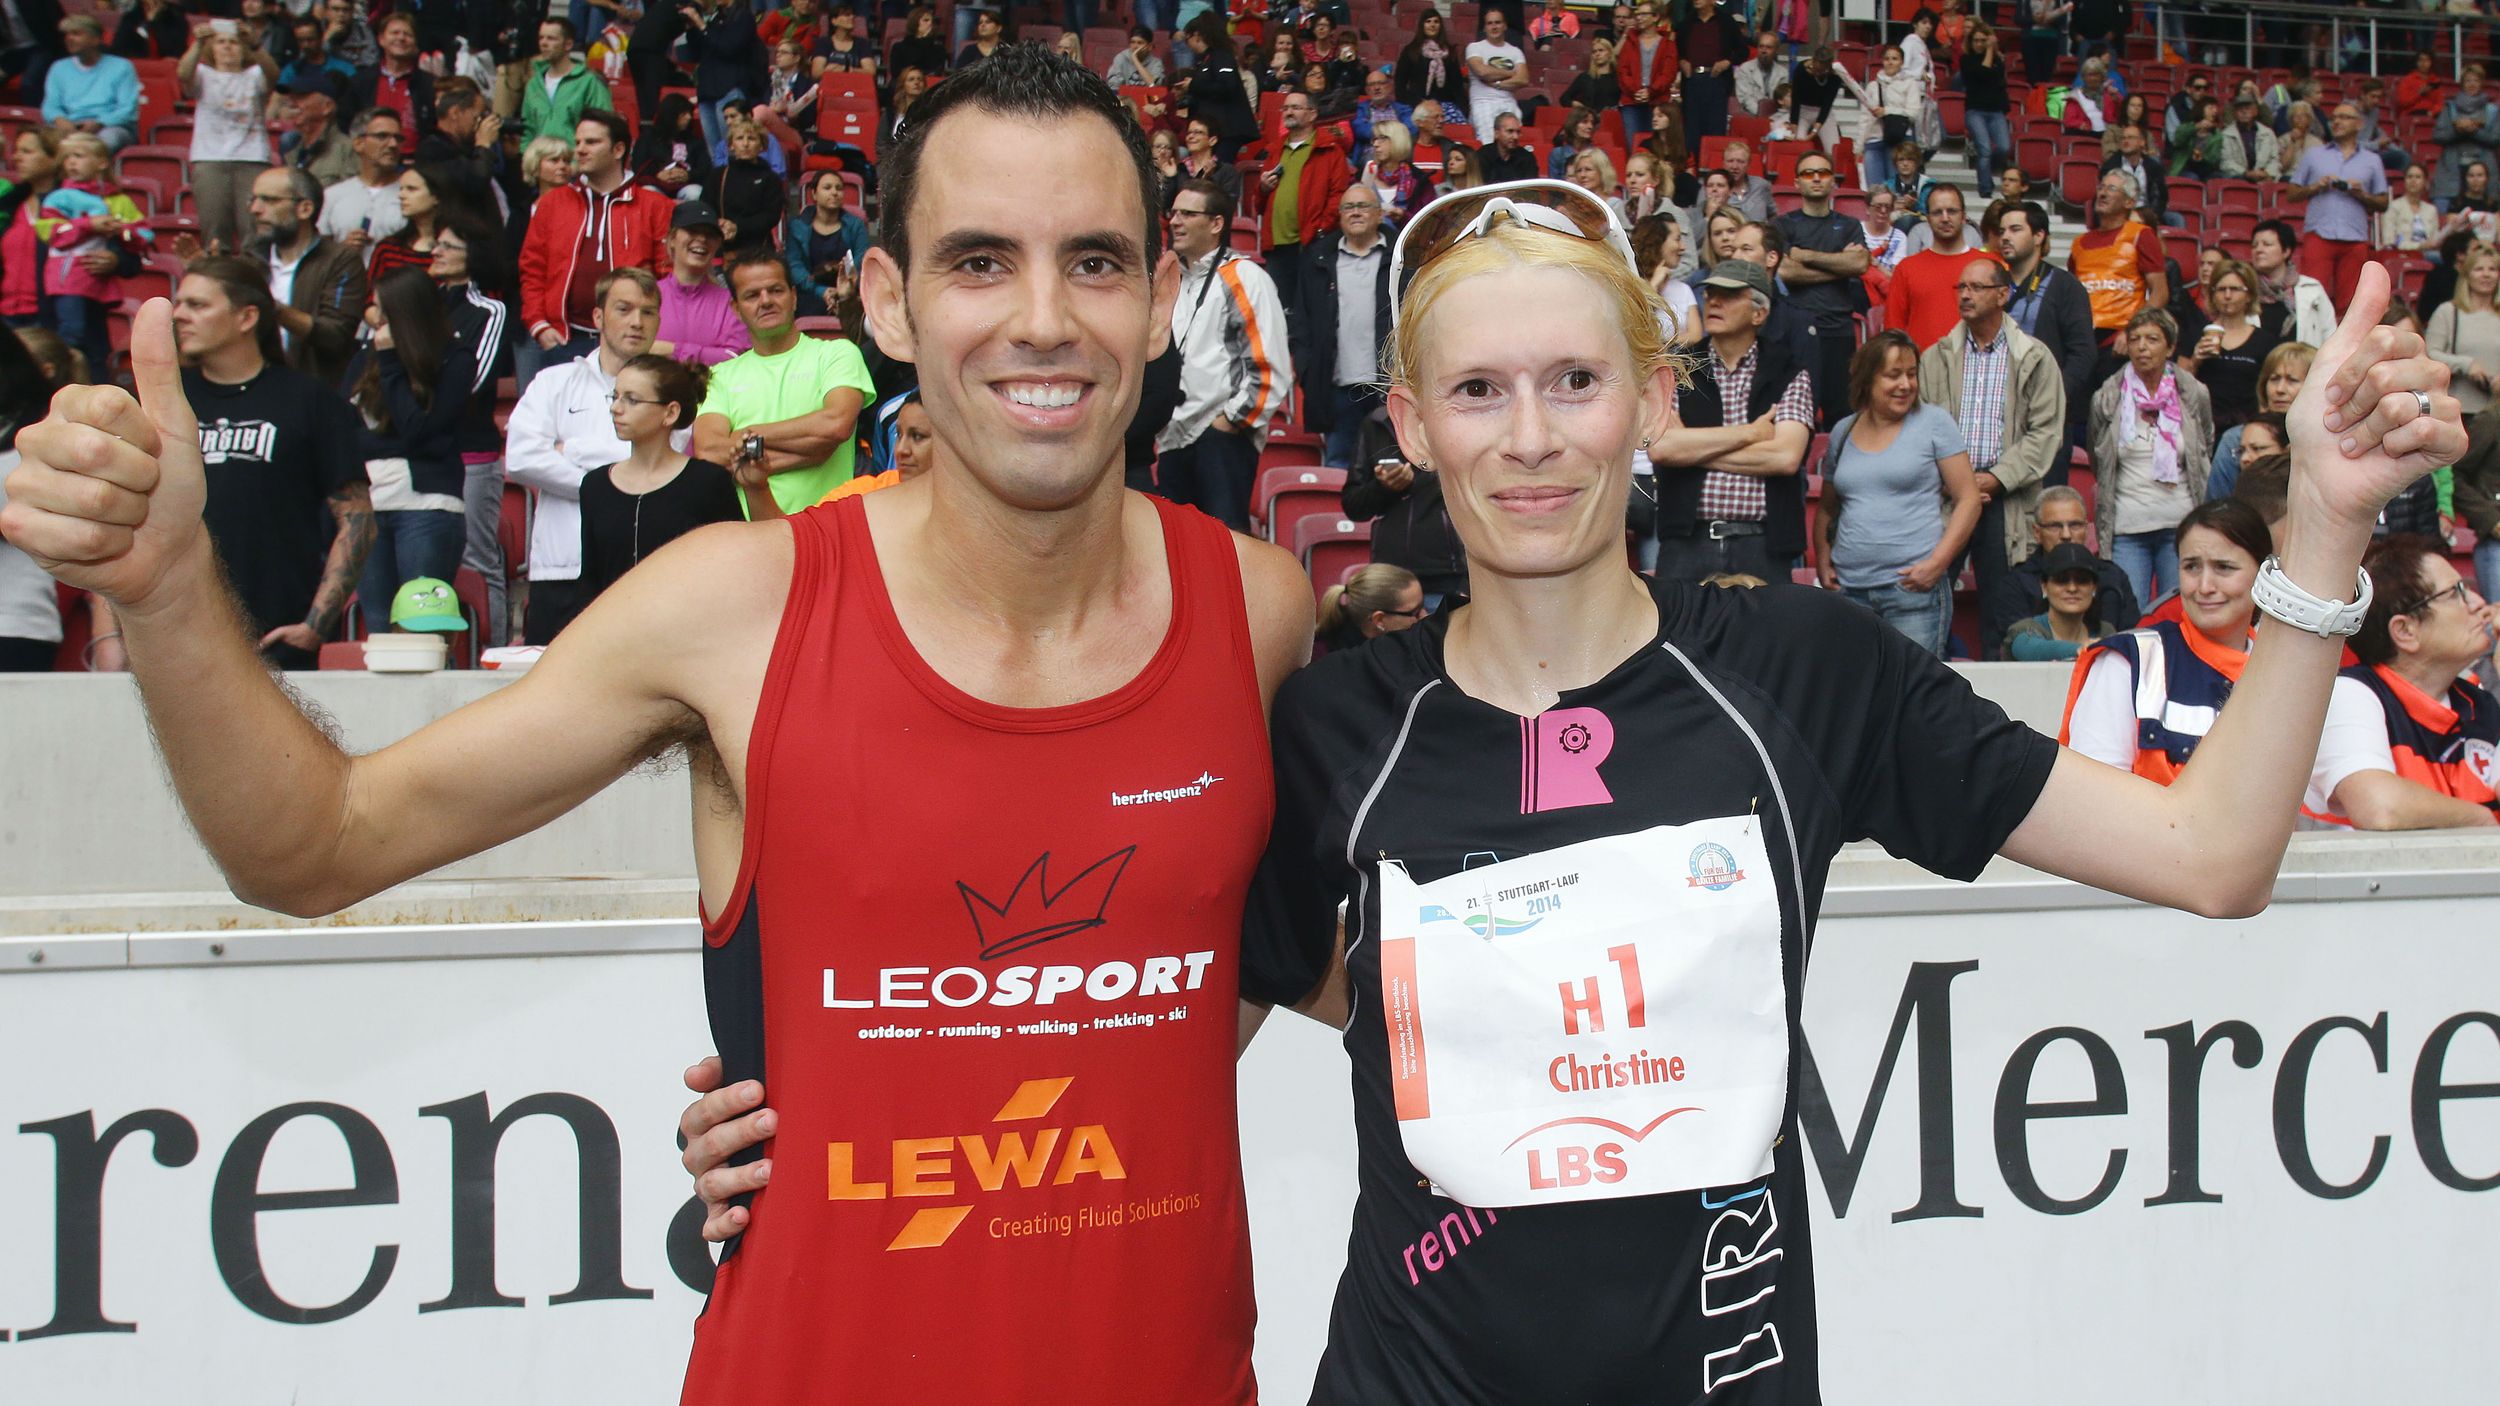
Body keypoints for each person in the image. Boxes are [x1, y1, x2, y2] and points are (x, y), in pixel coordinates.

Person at [3, 44, 1321, 1397]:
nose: (1043, 318)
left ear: (1156, 301)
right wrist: (169, 591)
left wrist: (949, 1106)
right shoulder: (731, 608)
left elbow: (1287, 957)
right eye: (979, 261)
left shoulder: (1260, 609)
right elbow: (313, 843)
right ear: (887, 300)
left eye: (1093, 262)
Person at [158, 258, 374, 668]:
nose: (179, 314)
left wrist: (314, 625)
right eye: (178, 303)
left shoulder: (310, 401)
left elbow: (358, 519)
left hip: (276, 639)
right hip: (175, 634)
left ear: (247, 317)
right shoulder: (165, 401)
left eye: (197, 305)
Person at [2059, 498, 2274, 781]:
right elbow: (2092, 791)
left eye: (2224, 567)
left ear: (2264, 575)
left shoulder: (2286, 671)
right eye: (2191, 567)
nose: (2205, 586)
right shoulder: (2129, 662)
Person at [504, 267, 665, 643]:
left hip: (644, 568)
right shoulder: (554, 382)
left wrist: (573, 449)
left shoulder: (670, 391)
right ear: (598, 317)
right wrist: (616, 483)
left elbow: (661, 463)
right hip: (562, 567)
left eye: (648, 312)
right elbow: (522, 457)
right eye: (624, 309)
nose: (637, 322)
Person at [1918, 255, 2064, 658]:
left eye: (1976, 287)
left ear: (2002, 295)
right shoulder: (1935, 357)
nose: (1965, 295)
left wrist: (1995, 478)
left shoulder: (2034, 357)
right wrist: (1957, 481)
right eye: (1961, 287)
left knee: (2004, 612)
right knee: (1929, 602)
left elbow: (2045, 433)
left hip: (2007, 500)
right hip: (1946, 497)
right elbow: (1920, 429)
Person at [2305, 535, 2499, 829]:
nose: (2479, 603)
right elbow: (2380, 806)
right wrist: (2483, 821)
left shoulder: (2477, 703)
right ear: (2406, 631)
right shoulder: (2351, 694)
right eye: (2456, 593)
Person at [1639, 256, 1814, 582]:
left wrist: (1692, 450)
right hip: (1687, 541)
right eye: (1710, 294)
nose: (1714, 301)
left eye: (1729, 295)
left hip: (1763, 544)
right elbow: (1661, 449)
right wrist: (1751, 434)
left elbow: (1785, 457)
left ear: (1759, 313)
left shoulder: (1788, 370)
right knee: (1678, 620)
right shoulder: (1679, 368)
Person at [1813, 328, 1981, 655]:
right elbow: (1827, 508)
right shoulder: (1843, 431)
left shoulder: (1935, 423)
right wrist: (1822, 557)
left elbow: (1969, 499)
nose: (1905, 384)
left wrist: (1937, 564)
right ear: (1867, 378)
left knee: (1912, 685)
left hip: (1913, 592)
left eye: (1911, 374)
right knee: (1855, 683)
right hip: (1850, 592)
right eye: (1893, 375)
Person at [579, 354, 780, 607]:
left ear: (671, 412)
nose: (615, 408)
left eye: (632, 399)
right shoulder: (595, 485)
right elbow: (590, 579)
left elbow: (739, 564)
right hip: (613, 627)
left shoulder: (707, 482)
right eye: (615, 396)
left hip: (692, 624)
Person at [1157, 177, 1294, 529]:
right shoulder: (1171, 281)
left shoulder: (1244, 276)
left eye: (1188, 214)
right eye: (1173, 213)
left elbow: (1271, 365)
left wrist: (1229, 422)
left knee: (1225, 544)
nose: (1175, 222)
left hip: (1219, 437)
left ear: (1216, 223)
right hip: (1173, 438)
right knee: (1176, 547)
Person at [350, 266, 479, 623]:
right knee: (378, 624)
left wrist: (391, 362)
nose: (375, 318)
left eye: (383, 309)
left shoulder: (455, 359)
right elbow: (346, 432)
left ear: (404, 312)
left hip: (427, 506)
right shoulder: (366, 355)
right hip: (370, 504)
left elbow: (419, 432)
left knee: (421, 625)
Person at [518, 110, 672, 394]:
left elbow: (667, 275)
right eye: (578, 142)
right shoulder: (552, 203)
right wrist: (539, 324)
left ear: (618, 149)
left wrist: (653, 332)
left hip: (630, 342)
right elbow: (532, 268)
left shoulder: (655, 206)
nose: (579, 149)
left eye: (591, 142)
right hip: (564, 340)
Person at [2087, 307, 2216, 603]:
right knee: (2130, 611)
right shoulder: (2107, 397)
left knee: (2180, 611)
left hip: (2181, 525)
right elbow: (2099, 457)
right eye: (2135, 339)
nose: (2142, 347)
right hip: (2127, 527)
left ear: (2170, 347)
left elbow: (2203, 448)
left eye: (2152, 339)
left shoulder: (2193, 393)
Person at [1291, 185, 1391, 470]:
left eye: (1363, 206)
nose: (1355, 212)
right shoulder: (1318, 259)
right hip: (1337, 389)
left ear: (1379, 214)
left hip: (1388, 388)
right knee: (1338, 467)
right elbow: (1301, 322)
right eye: (1348, 207)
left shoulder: (1402, 259)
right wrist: (1308, 371)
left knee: (1391, 470)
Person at [1983, 485, 2140, 656]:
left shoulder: (2113, 577)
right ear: (2037, 532)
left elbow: (2134, 640)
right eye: (2055, 526)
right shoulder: (2014, 583)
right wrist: (2085, 650)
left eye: (2075, 525)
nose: (2066, 535)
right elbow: (2021, 644)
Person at [248, 165, 367, 390]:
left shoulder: (340, 260)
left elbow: (336, 336)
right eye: (253, 199)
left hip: (313, 390)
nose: (255, 209)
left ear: (304, 209)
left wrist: (274, 309)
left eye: (269, 200)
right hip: (255, 388)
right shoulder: (251, 260)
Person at [1997, 200, 2096, 466]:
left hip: (2046, 420)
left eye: (2015, 229)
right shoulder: (1991, 285)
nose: (2005, 237)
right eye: (2002, 230)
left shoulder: (2066, 287)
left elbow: (2083, 353)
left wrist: (2053, 396)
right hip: (1996, 416)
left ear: (2039, 235)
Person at [1772, 151, 1867, 425]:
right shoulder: (1783, 225)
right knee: (1795, 415)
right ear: (1797, 182)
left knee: (1842, 417)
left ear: (1833, 181)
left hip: (1838, 330)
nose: (1816, 178)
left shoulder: (1849, 225)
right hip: (1795, 330)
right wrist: (1839, 266)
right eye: (1808, 173)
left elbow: (1859, 264)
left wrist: (1805, 255)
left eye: (1823, 173)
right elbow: (1786, 271)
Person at [1249, 89, 1354, 316]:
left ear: (1312, 114)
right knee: (1278, 312)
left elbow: (1338, 195)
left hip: (1311, 241)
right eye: (1285, 108)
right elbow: (1259, 203)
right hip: (1276, 244)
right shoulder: (1274, 150)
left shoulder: (1330, 149)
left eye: (1295, 107)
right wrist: (1263, 188)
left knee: (1310, 311)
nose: (1288, 112)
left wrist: (1320, 229)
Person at [2287, 103, 2391, 314]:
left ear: (2359, 124)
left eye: (2344, 117)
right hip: (2319, 234)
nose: (2337, 121)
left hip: (2355, 237)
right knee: (2311, 297)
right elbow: (2291, 193)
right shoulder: (2313, 155)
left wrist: (2361, 194)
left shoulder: (2373, 160)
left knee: (2351, 303)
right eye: (2334, 117)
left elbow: (2383, 202)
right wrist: (2316, 186)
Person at [2069, 170, 2166, 373]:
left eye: (2112, 188)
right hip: (2082, 340)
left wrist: (2133, 331)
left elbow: (2160, 293)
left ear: (2129, 202)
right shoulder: (2079, 243)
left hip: (2119, 340)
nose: (2103, 193)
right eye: (2101, 187)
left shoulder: (2141, 235)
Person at [1885, 184, 1997, 349]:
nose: (1945, 218)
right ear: (1928, 219)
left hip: (1979, 362)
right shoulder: (1907, 268)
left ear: (1963, 216)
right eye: (1937, 212)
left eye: (1952, 211)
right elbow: (1893, 330)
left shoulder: (1988, 264)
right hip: (1922, 363)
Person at [2185, 257, 2281, 429]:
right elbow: (2180, 388)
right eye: (2221, 289)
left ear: (2249, 295)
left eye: (2235, 289)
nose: (2227, 296)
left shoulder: (2264, 341)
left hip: (2248, 427)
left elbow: (2270, 389)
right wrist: (2195, 361)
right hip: (2204, 426)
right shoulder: (2197, 333)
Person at [2206, 347, 2312, 500]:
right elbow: (2218, 502)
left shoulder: (2328, 438)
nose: (2279, 389)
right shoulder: (2235, 438)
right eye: (2274, 379)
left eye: (2292, 380)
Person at [2002, 540, 2116, 660]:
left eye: (2082, 580)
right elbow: (2027, 649)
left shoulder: (2105, 632)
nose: (2072, 588)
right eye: (2061, 580)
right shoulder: (2026, 629)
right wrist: (2083, 650)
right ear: (2044, 587)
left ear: (2094, 588)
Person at [2425, 241, 2500, 418]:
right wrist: (2465, 365)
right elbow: (2429, 355)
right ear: (2467, 275)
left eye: (2492, 269)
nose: (2486, 274)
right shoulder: (2448, 312)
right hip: (2459, 411)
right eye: (2479, 269)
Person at [41, 16, 137, 153]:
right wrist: (60, 120)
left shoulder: (122, 66)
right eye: (66, 34)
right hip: (70, 125)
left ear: (95, 39)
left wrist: (99, 123)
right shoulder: (58, 67)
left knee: (104, 141)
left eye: (76, 34)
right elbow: (50, 105)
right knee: (42, 142)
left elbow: (127, 109)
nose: (69, 38)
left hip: (109, 127)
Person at [517, 18, 615, 151]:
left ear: (568, 44)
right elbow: (528, 129)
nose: (543, 43)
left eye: (551, 38)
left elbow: (603, 128)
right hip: (540, 161)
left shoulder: (590, 81)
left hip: (575, 160)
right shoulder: (533, 84)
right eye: (541, 38)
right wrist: (527, 156)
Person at [782, 169, 870, 315]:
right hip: (810, 292)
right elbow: (794, 266)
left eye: (839, 188)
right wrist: (821, 291)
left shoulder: (856, 225)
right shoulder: (797, 226)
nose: (834, 192)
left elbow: (860, 261)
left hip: (849, 292)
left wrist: (843, 290)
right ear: (814, 194)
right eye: (827, 188)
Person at [318, 108, 407, 249]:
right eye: (382, 136)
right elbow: (320, 252)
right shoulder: (332, 195)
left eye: (398, 138)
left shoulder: (412, 193)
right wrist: (343, 250)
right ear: (359, 144)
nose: (393, 144)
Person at [351, 13, 434, 161]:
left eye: (407, 34)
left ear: (415, 43)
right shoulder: (361, 81)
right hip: (368, 161)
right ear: (381, 39)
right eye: (395, 33)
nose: (401, 38)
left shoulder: (429, 84)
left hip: (413, 163)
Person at [2250, 218, 2336, 348]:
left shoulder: (2312, 288)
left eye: (2267, 244)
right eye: (2254, 245)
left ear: (2286, 251)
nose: (2259, 250)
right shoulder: (2244, 289)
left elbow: (2330, 332)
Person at [1314, 561, 1423, 653]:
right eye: (1415, 613)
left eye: (1423, 606)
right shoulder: (1334, 661)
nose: (1424, 616)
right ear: (1379, 620)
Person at [1675, 0, 1745, 141]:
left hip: (1717, 81)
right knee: (1691, 130)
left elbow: (1742, 50)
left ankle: (1712, 155)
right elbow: (1676, 51)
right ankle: (1693, 155)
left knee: (1715, 129)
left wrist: (1727, 62)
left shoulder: (1726, 22)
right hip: (1692, 81)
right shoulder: (1686, 23)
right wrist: (1681, 61)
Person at [713, 117, 784, 253]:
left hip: (759, 247)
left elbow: (771, 216)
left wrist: (738, 227)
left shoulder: (771, 179)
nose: (745, 144)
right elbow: (707, 207)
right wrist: (721, 225)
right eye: (740, 138)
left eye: (751, 139)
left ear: (761, 146)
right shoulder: (718, 175)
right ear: (731, 145)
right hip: (723, 247)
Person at [2435, 64, 2500, 209]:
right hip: (2451, 170)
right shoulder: (2449, 108)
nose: (2472, 84)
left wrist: (2474, 131)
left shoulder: (2492, 111)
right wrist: (2458, 131)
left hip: (2484, 169)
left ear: (2481, 83)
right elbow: (2438, 136)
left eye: (2476, 80)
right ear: (2462, 84)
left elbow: (2496, 138)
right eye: (2468, 81)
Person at [632, 92, 717, 202]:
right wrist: (657, 175)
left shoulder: (695, 141)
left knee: (696, 193)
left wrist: (688, 175)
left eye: (689, 113)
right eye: (684, 114)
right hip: (656, 183)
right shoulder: (649, 137)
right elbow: (638, 165)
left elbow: (705, 169)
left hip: (686, 185)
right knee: (648, 192)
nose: (689, 117)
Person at [1464, 7, 1529, 144]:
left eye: (1498, 22)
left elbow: (1523, 79)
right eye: (1490, 23)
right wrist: (1511, 73)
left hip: (1508, 102)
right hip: (1483, 102)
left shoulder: (1515, 51)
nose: (1494, 27)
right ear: (1484, 28)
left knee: (1513, 142)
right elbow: (1482, 72)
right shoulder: (1474, 48)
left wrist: (1497, 83)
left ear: (1505, 26)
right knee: (1488, 143)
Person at [1962, 21, 2009, 195]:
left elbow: (1997, 80)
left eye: (1983, 40)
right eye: (1976, 40)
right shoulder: (1966, 60)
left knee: (2003, 147)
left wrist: (1993, 52)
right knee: (1985, 150)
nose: (1979, 44)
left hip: (1995, 110)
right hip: (1975, 111)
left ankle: (1988, 171)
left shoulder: (1998, 60)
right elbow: (1983, 73)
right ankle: (1985, 188)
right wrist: (1990, 51)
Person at [280, 87, 358, 190]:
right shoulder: (292, 152)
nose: (292, 104)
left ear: (327, 107)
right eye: (290, 98)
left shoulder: (348, 149)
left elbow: (351, 194)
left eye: (301, 97)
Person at [1394, 8, 1466, 118]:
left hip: (1445, 105)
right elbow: (1400, 84)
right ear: (1422, 25)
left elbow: (1457, 86)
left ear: (1440, 26)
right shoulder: (1411, 51)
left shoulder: (1450, 52)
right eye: (1428, 21)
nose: (1432, 25)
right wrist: (1417, 103)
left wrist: (1463, 109)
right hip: (1416, 104)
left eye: (1436, 22)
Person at [2098, 122, 2171, 230]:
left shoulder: (2154, 167)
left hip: (2147, 214)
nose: (2125, 141)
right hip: (2119, 213)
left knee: (2177, 219)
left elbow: (2161, 197)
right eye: (2123, 138)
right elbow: (2104, 196)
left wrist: (2152, 215)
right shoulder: (2110, 166)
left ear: (2142, 142)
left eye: (2130, 138)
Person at [2382, 164, 2443, 254]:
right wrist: (2420, 246)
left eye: (2418, 177)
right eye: (2409, 177)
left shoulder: (2431, 210)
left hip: (2429, 253)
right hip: (2403, 254)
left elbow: (2435, 240)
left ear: (2425, 182)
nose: (2413, 180)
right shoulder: (2394, 207)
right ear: (2404, 181)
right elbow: (2389, 241)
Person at [2219, 92, 2279, 182]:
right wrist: (2246, 173)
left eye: (2247, 108)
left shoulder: (2268, 133)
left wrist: (2267, 173)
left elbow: (2274, 159)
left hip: (2264, 177)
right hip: (2239, 178)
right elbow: (2226, 162)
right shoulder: (2226, 135)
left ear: (2255, 111)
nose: (2244, 112)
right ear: (2235, 113)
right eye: (2240, 109)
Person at [1475, 110, 1537, 186]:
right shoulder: (1482, 156)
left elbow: (1531, 188)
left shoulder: (1527, 157)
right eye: (1510, 131)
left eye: (1518, 132)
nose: (1515, 137)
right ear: (1496, 133)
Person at [1731, 28, 1781, 120]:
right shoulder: (1745, 69)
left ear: (1776, 50)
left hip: (1776, 117)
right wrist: (1762, 113)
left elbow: (1782, 101)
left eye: (1768, 47)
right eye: (1761, 46)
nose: (1764, 50)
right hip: (1750, 116)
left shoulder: (1783, 73)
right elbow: (1745, 98)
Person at [1861, 187, 1908, 271]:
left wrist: (1878, 266)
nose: (1883, 211)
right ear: (1867, 209)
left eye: (1888, 207)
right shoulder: (1856, 230)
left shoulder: (1900, 237)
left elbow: (1896, 276)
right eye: (1878, 206)